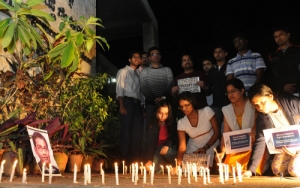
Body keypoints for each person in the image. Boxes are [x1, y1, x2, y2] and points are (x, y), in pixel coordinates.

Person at [245, 84, 300, 177]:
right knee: (277, 170)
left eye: (263, 102)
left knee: (294, 170)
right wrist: (251, 170)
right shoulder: (262, 117)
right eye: (256, 105)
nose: (260, 107)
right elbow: (260, 141)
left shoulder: (293, 103)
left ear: (271, 96)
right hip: (287, 149)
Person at [217, 78, 264, 174]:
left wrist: (254, 132)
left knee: (249, 166)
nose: (230, 94)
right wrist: (222, 152)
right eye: (228, 92)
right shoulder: (227, 109)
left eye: (233, 91)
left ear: (242, 91)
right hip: (237, 146)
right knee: (229, 168)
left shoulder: (253, 104)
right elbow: (226, 134)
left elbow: (259, 124)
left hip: (254, 144)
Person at [176, 91, 219, 168]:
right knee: (188, 166)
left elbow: (217, 132)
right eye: (181, 106)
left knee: (205, 165)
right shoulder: (181, 122)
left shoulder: (206, 111)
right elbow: (182, 147)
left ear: (192, 103)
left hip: (211, 142)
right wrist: (178, 166)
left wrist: (206, 147)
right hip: (193, 145)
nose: (184, 109)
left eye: (186, 105)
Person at [116, 50, 144, 163]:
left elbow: (140, 93)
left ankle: (134, 161)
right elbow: (119, 89)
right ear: (129, 59)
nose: (137, 59)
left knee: (137, 133)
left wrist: (142, 107)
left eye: (139, 57)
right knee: (126, 132)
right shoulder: (123, 71)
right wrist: (121, 106)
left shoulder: (138, 74)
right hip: (127, 102)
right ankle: (124, 161)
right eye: (134, 57)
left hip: (137, 105)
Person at [265, 27, 300, 97]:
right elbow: (270, 77)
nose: (279, 38)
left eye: (281, 35)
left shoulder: (298, 50)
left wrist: (295, 86)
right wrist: (282, 87)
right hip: (281, 94)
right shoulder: (272, 56)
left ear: (288, 35)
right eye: (276, 37)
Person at [144, 100, 177, 173]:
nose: (163, 116)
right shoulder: (152, 123)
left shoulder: (171, 122)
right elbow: (150, 143)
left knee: (167, 152)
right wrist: (149, 159)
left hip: (170, 148)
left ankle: (175, 165)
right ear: (156, 112)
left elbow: (175, 137)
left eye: (166, 114)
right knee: (154, 169)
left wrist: (167, 145)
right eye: (160, 113)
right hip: (157, 150)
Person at [208, 44, 231, 137]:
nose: (217, 54)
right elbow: (209, 88)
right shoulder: (211, 70)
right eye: (215, 52)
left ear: (225, 54)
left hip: (229, 102)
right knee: (216, 129)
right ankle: (218, 149)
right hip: (216, 104)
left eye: (220, 52)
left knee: (229, 127)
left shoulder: (230, 66)